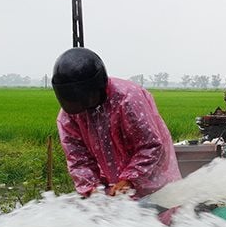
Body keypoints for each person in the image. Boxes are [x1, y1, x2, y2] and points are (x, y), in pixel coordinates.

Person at [52, 48, 181, 199]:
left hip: (152, 185)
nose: (86, 111)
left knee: (160, 215)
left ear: (99, 86)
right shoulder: (69, 117)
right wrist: (93, 189)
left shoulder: (128, 99)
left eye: (88, 101)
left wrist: (130, 179)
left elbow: (150, 145)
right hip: (113, 190)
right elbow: (79, 159)